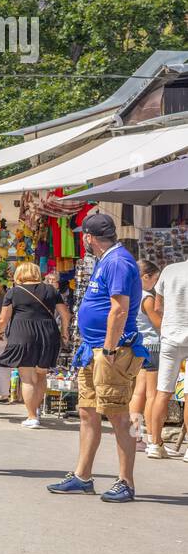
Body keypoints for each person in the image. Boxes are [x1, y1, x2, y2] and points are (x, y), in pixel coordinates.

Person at [47, 212, 148, 503]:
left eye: (84, 237)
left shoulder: (117, 261)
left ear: (89, 238)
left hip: (110, 350)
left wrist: (109, 348)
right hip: (93, 348)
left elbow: (119, 309)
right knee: (87, 410)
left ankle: (126, 482)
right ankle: (82, 476)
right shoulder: (109, 260)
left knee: (118, 414)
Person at [0, 261, 70, 428]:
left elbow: (3, 318)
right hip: (48, 335)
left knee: (28, 378)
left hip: (23, 335)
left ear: (19, 275)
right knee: (41, 375)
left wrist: (0, 332)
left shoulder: (14, 292)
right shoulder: (51, 290)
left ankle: (31, 416)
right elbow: (65, 314)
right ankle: (35, 410)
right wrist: (65, 332)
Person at [149, 257, 188, 461]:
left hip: (170, 336)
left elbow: (157, 307)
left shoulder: (169, 270)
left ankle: (155, 443)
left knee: (162, 392)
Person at [130, 260, 162, 455]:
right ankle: (152, 437)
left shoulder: (131, 294)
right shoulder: (147, 298)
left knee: (137, 393)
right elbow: (158, 324)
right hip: (152, 346)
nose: (156, 284)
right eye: (155, 279)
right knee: (152, 394)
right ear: (146, 276)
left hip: (138, 345)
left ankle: (135, 436)